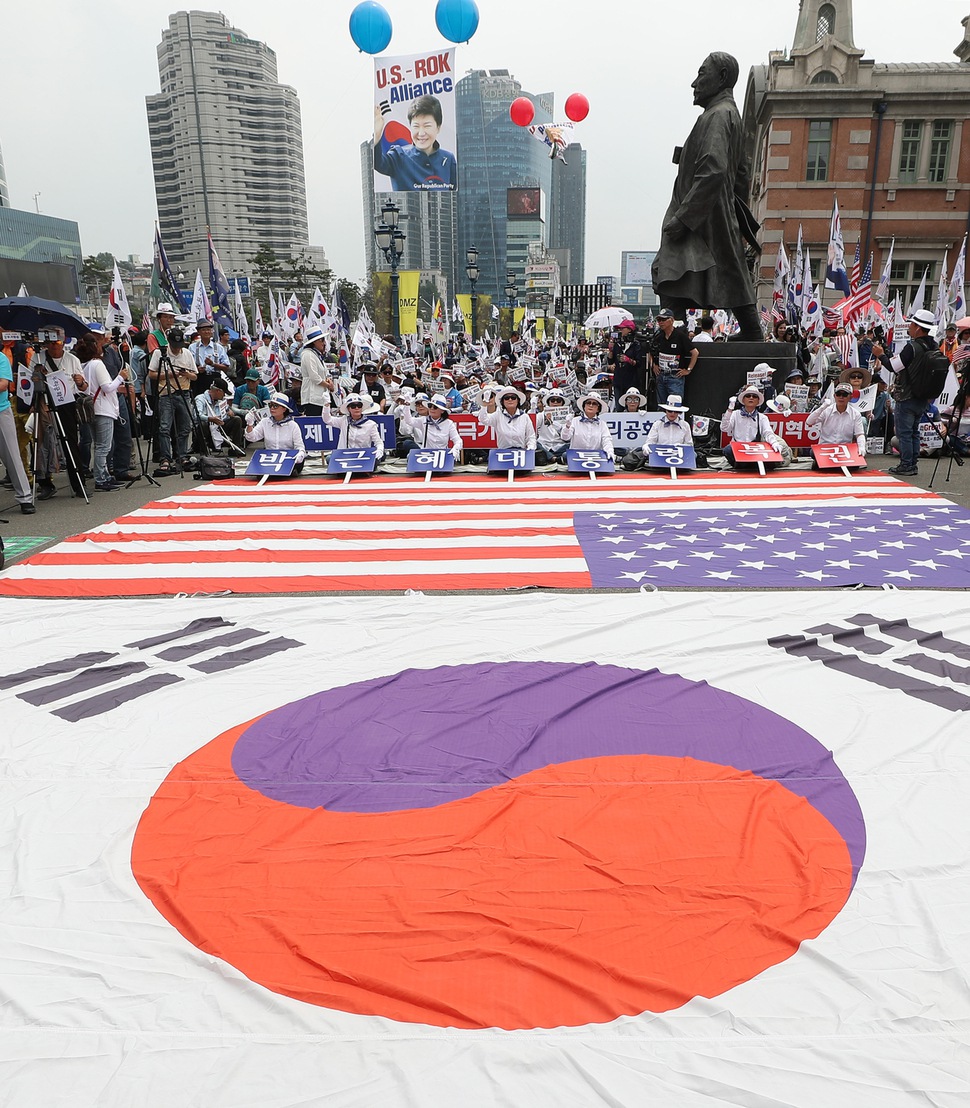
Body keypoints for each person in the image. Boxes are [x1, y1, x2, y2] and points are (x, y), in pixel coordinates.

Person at [651, 52, 761, 340]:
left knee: (670, 273)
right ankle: (751, 331)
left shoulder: (718, 115)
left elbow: (714, 169)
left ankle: (672, 338)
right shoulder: (723, 115)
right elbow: (741, 175)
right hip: (714, 211)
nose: (694, 83)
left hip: (702, 215)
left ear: (722, 77)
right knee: (728, 271)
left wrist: (684, 218)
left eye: (701, 74)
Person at [872, 308, 940, 476]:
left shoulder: (913, 346)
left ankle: (906, 465)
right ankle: (912, 464)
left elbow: (893, 367)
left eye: (911, 324)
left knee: (905, 433)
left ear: (917, 327)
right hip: (922, 396)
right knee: (914, 432)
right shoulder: (933, 345)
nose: (909, 327)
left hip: (907, 395)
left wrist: (881, 355)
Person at [30, 327, 86, 500]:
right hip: (43, 402)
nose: (55, 346)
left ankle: (78, 483)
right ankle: (45, 483)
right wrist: (37, 375)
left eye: (58, 342)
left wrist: (80, 382)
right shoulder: (37, 357)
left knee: (70, 442)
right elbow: (29, 383)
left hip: (66, 403)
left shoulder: (72, 359)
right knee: (42, 444)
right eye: (51, 342)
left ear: (64, 341)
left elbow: (84, 387)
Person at [76, 330, 133, 491]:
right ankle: (101, 478)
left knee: (99, 445)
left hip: (93, 408)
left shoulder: (84, 365)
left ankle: (104, 475)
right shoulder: (97, 364)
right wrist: (121, 376)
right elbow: (108, 387)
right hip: (103, 408)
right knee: (103, 446)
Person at [373, 94, 457, 191]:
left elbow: (453, 196)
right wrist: (377, 134)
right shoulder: (399, 156)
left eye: (427, 126)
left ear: (438, 127)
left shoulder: (449, 159)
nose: (421, 133)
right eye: (416, 126)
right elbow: (378, 163)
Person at [147, 326, 197, 475]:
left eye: (179, 346)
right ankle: (165, 458)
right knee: (164, 427)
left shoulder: (187, 353)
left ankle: (182, 456)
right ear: (168, 342)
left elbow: (195, 376)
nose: (176, 349)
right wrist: (169, 374)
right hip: (165, 394)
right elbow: (152, 374)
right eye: (174, 346)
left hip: (184, 392)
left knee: (185, 427)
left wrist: (186, 373)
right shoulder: (160, 353)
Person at [718, 386, 789, 469]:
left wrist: (774, 443)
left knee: (772, 458)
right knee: (727, 450)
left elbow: (768, 433)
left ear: (758, 401)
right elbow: (724, 428)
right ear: (743, 400)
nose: (751, 398)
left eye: (754, 396)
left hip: (755, 449)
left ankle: (748, 465)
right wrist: (729, 409)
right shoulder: (735, 414)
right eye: (748, 396)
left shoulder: (762, 417)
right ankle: (746, 465)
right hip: (738, 448)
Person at [0, 346, 34, 512]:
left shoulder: (1, 358)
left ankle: (25, 497)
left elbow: (3, 384)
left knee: (12, 455)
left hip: (1, 411)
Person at [805, 382, 867, 467]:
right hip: (826, 448)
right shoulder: (826, 410)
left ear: (850, 397)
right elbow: (809, 422)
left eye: (845, 394)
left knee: (855, 464)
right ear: (834, 396)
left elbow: (859, 434)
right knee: (813, 452)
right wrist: (822, 407)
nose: (841, 397)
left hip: (844, 450)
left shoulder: (856, 414)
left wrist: (861, 446)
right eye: (838, 394)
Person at [621, 395, 692, 470]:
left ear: (679, 412)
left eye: (676, 411)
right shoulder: (658, 424)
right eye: (670, 411)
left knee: (695, 455)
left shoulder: (685, 425)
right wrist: (647, 448)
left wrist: (681, 448)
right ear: (665, 411)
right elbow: (650, 442)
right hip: (660, 454)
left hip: (678, 455)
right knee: (628, 460)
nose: (673, 414)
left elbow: (689, 445)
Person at [244, 392, 306, 473]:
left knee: (297, 465)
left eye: (276, 406)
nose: (272, 408)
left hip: (287, 458)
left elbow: (300, 447)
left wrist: (300, 454)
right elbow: (251, 438)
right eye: (270, 405)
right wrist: (250, 424)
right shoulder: (265, 422)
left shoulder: (293, 425)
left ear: (284, 409)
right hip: (270, 459)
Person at [649, 309, 698, 404]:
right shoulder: (658, 336)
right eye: (659, 320)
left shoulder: (680, 335)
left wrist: (688, 370)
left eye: (663, 320)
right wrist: (653, 365)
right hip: (661, 374)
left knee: (675, 405)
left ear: (671, 320)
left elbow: (695, 352)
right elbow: (650, 351)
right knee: (661, 405)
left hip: (675, 376)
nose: (661, 322)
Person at [320, 393, 386, 461]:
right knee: (329, 459)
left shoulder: (371, 424)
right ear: (349, 408)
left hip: (362, 456)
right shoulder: (343, 420)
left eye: (359, 405)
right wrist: (326, 404)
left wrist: (379, 450)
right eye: (353, 406)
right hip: (345, 455)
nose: (356, 408)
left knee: (378, 458)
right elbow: (327, 419)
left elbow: (378, 442)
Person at [396, 392, 463, 457]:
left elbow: (458, 440)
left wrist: (455, 449)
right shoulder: (423, 420)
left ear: (442, 411)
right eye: (430, 406)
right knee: (409, 455)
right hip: (426, 454)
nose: (432, 409)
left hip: (442, 455)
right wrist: (407, 405)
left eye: (435, 407)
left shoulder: (448, 423)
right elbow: (409, 421)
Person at [478, 385, 537, 450]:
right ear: (502, 402)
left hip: (520, 453)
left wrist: (531, 447)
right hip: (502, 452)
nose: (510, 399)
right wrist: (485, 403)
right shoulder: (498, 415)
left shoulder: (524, 417)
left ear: (518, 401)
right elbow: (483, 419)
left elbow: (531, 436)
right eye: (506, 398)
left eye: (513, 397)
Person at [194, 377, 243, 453]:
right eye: (224, 393)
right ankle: (204, 449)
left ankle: (236, 448)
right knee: (202, 424)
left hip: (219, 428)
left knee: (237, 419)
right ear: (218, 391)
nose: (224, 395)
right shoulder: (200, 399)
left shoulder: (221, 400)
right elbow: (196, 416)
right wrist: (210, 419)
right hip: (207, 429)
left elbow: (228, 411)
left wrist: (229, 413)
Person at [561, 394, 615, 459]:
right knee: (565, 455)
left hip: (595, 456)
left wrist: (609, 451)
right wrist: (567, 426)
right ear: (584, 406)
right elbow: (565, 438)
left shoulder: (602, 424)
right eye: (588, 403)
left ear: (598, 409)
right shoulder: (575, 421)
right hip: (576, 455)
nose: (591, 405)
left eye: (594, 403)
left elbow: (607, 440)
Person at [607, 320, 646, 404]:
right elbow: (610, 361)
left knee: (631, 406)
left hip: (631, 381)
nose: (620, 331)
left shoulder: (636, 345)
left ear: (629, 330)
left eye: (622, 328)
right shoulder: (617, 344)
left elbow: (639, 363)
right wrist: (610, 350)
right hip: (618, 380)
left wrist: (628, 360)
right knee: (619, 406)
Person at [299, 328, 334, 416]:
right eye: (322, 340)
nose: (324, 343)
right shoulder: (308, 354)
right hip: (312, 398)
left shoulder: (316, 355)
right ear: (314, 342)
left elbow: (324, 373)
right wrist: (328, 385)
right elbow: (314, 377)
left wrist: (328, 380)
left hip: (320, 397)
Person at [535, 388, 570, 465]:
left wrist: (566, 426)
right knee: (534, 443)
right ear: (548, 402)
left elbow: (567, 438)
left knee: (572, 444)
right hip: (544, 446)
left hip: (560, 447)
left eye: (558, 400)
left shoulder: (567, 417)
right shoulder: (541, 415)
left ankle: (548, 457)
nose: (555, 402)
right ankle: (554, 459)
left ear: (562, 403)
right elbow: (532, 427)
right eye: (552, 400)